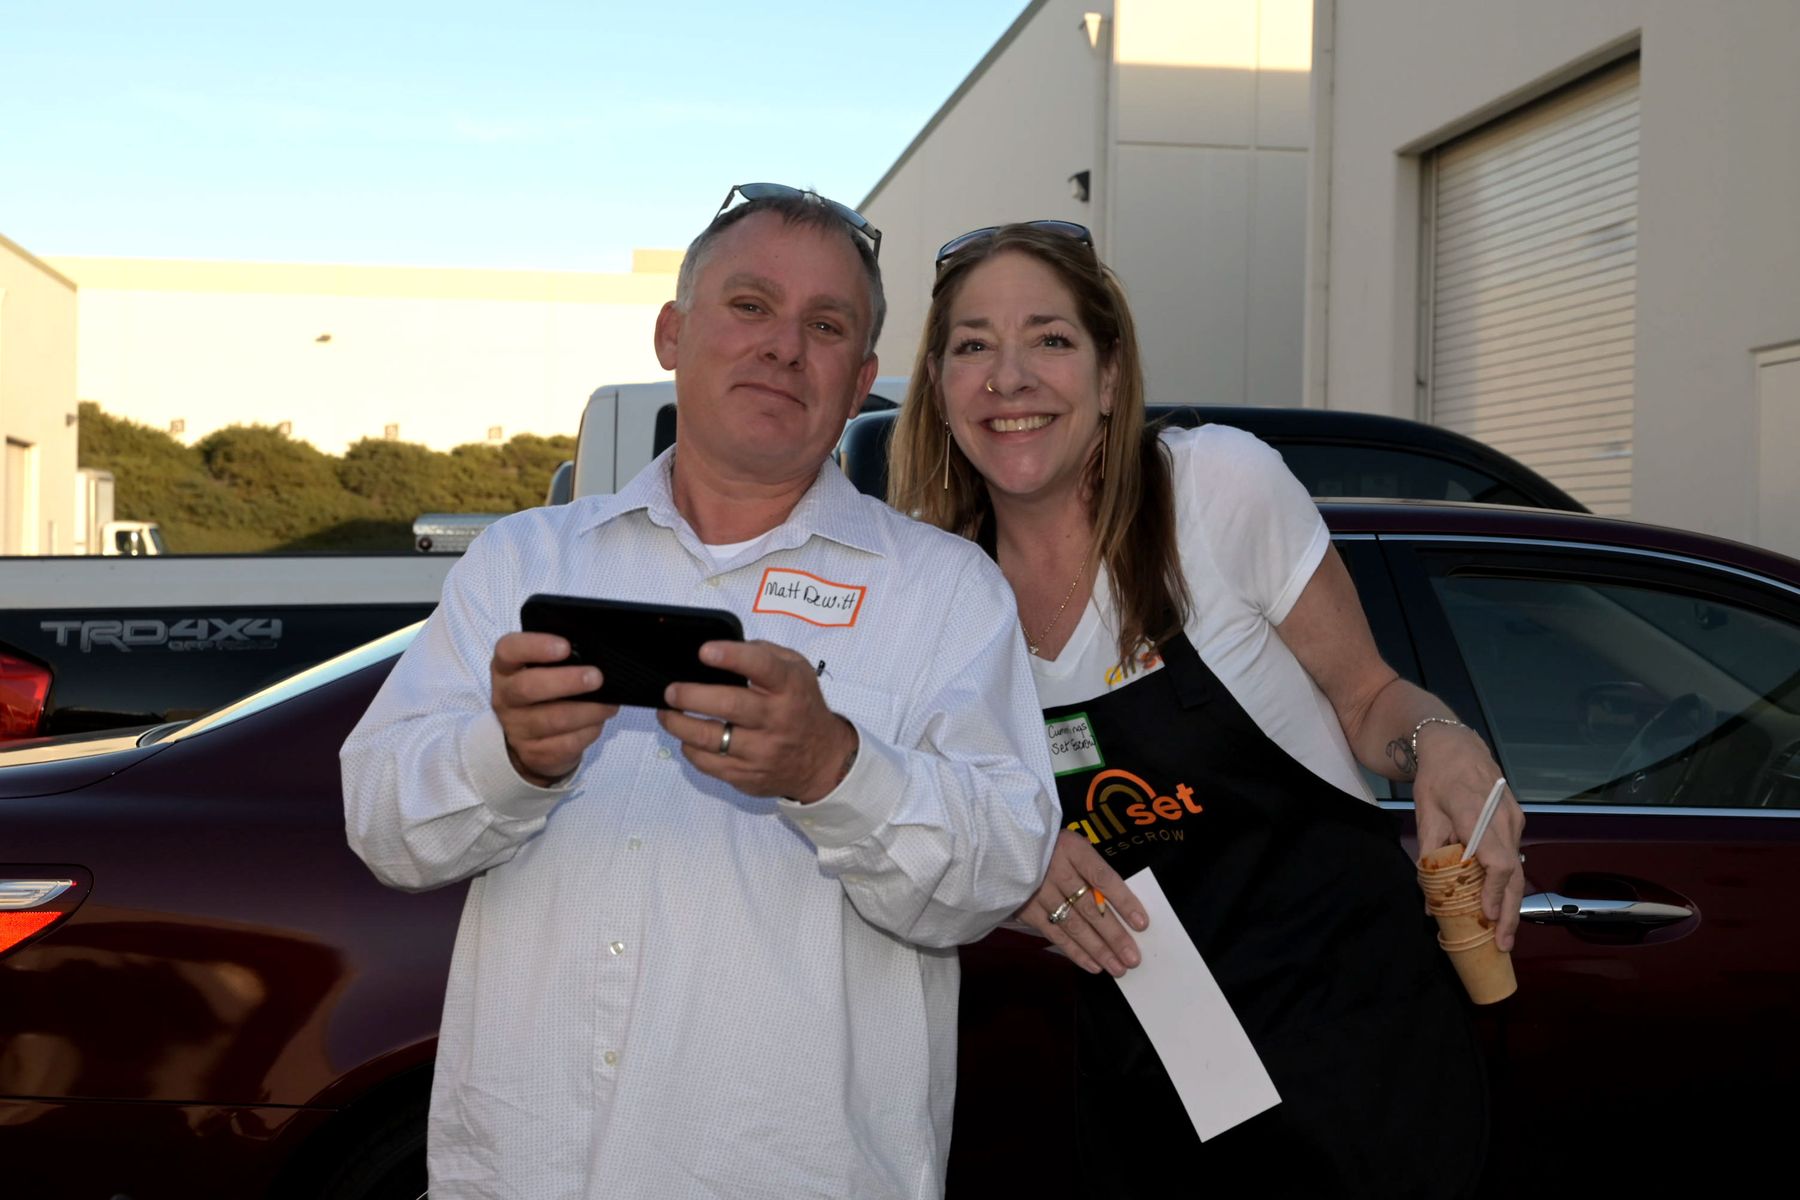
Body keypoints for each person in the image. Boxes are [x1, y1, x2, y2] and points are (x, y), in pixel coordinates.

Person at [341, 186, 1059, 1200]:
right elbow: (382, 827)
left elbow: (994, 875)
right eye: (750, 305)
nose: (783, 347)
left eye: (826, 326)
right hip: (531, 1170)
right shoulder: (523, 560)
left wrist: (836, 768)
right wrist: (508, 759)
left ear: (860, 382)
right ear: (671, 334)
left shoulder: (944, 592)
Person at [888, 222, 1525, 1198]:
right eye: (974, 345)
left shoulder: (1213, 490)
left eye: (1050, 338)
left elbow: (1368, 698)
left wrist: (1442, 741)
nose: (1009, 378)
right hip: (1157, 1078)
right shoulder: (938, 596)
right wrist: (1012, 873)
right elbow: (927, 836)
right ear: (938, 387)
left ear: (1110, 376)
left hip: (1357, 1049)